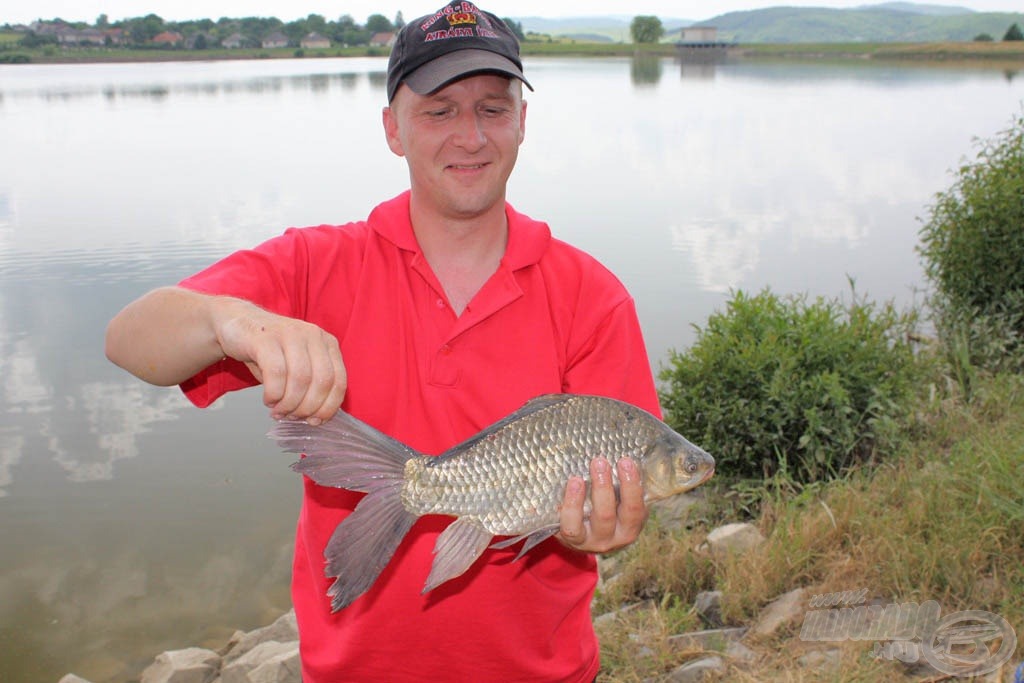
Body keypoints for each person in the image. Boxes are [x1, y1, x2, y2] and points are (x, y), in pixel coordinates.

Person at [105, 2, 660, 681]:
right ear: (392, 129)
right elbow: (129, 340)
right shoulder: (317, 264)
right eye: (438, 110)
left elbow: (626, 483)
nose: (471, 136)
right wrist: (234, 322)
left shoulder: (592, 295)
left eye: (492, 108)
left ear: (522, 122)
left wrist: (611, 524)